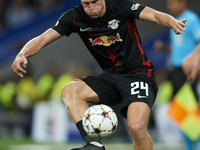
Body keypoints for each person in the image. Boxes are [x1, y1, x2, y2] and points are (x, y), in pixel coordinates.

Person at [11, 0, 186, 150]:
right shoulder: (75, 17)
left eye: (95, 2)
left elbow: (154, 15)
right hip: (110, 77)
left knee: (137, 127)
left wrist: (172, 22)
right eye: (86, 4)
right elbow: (42, 39)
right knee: (70, 90)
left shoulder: (120, 6)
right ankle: (92, 144)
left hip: (137, 75)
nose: (91, 8)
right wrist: (22, 54)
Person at [154, 0, 200, 149]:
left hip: (187, 71)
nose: (169, 6)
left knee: (190, 108)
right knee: (181, 108)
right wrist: (164, 48)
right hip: (176, 71)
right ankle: (188, 145)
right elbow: (179, 49)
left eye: (172, 3)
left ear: (183, 3)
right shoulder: (175, 21)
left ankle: (197, 144)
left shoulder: (191, 19)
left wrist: (195, 62)